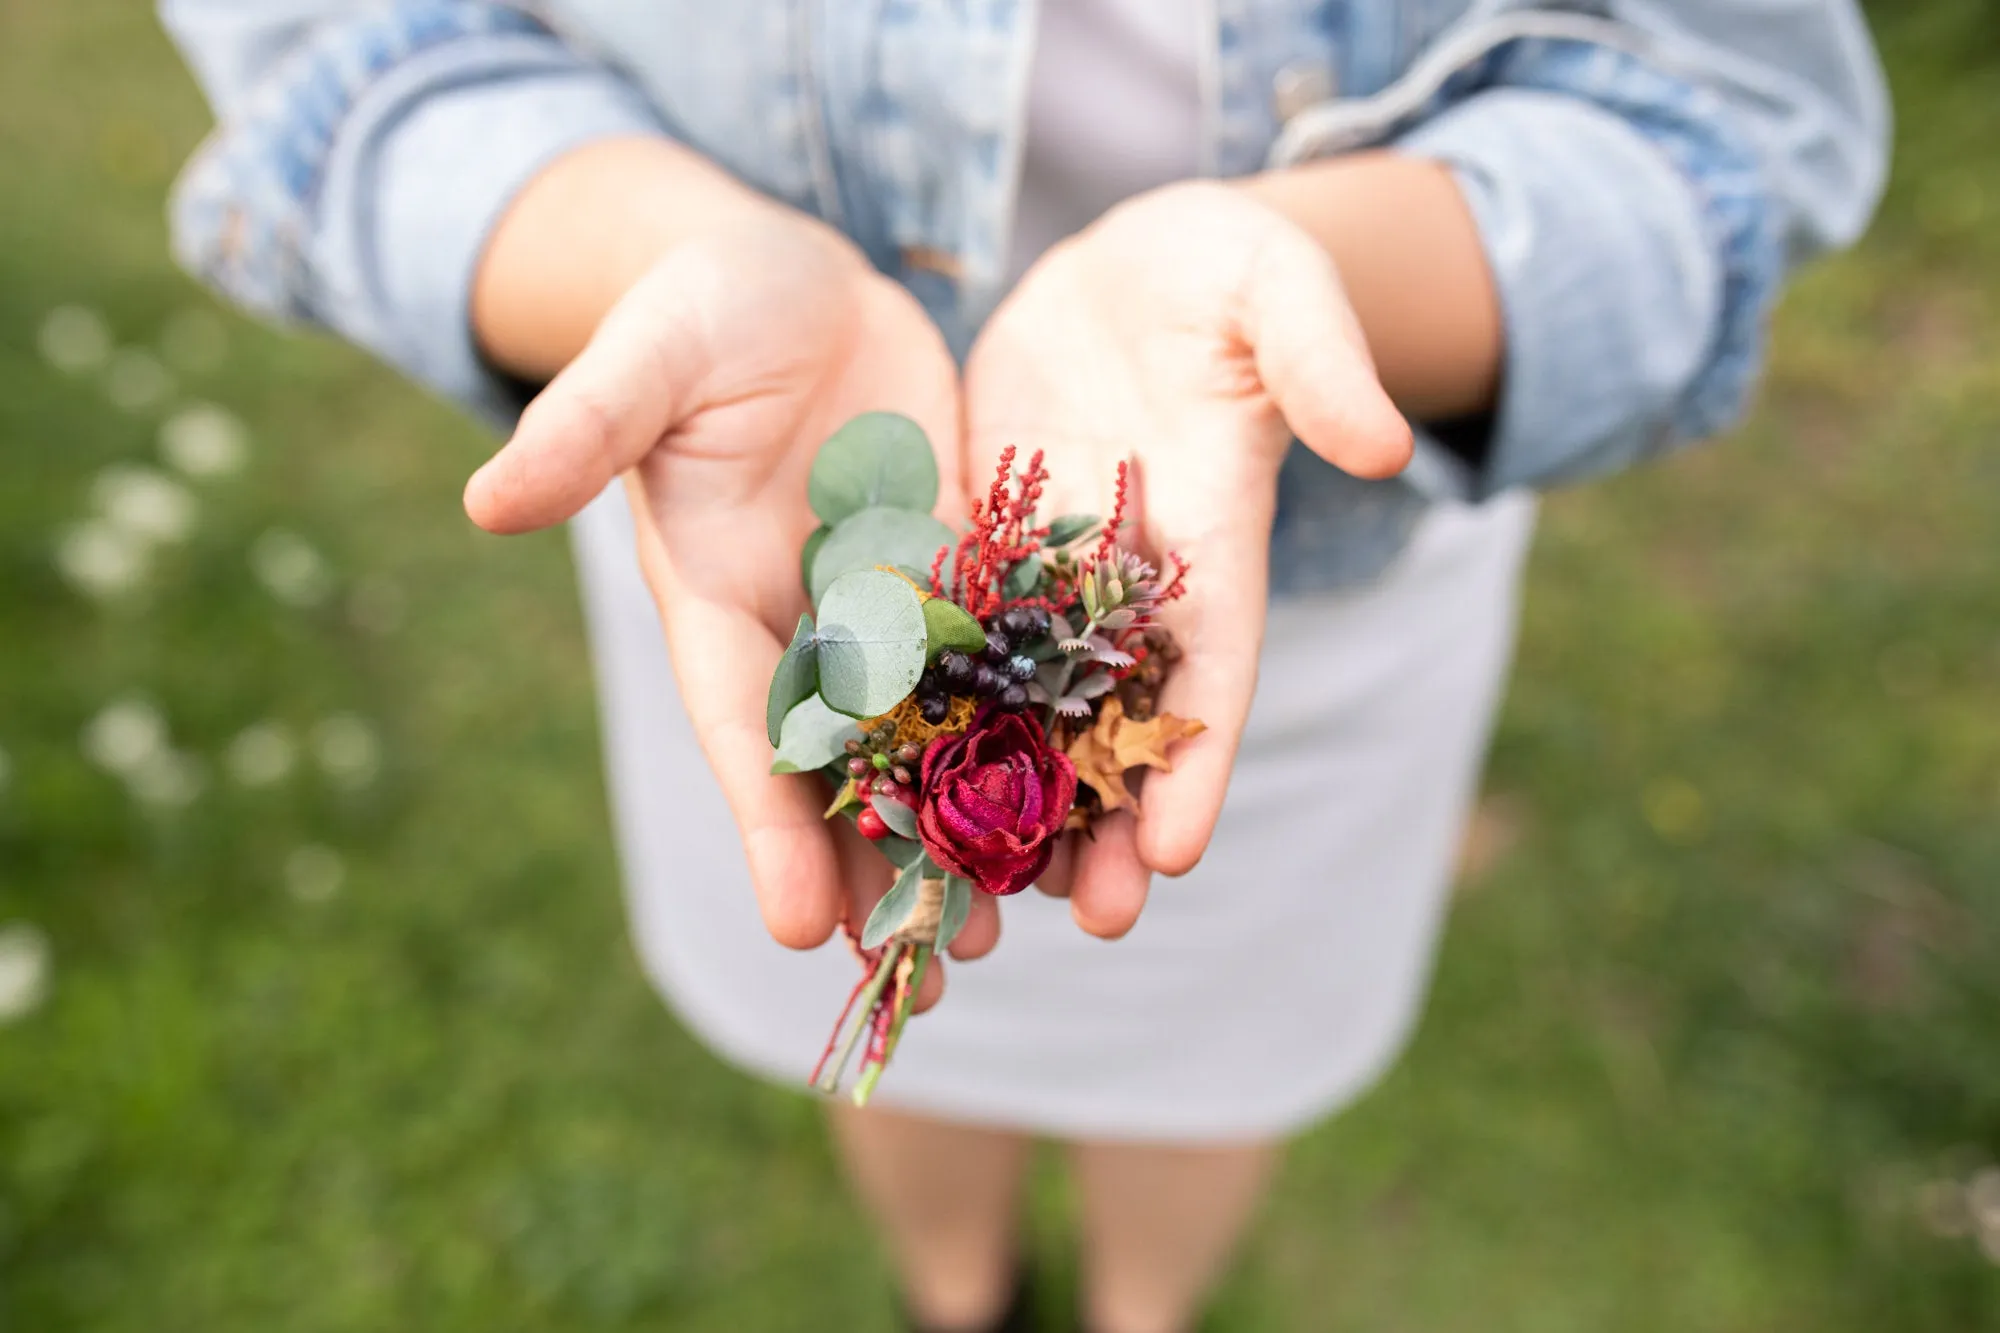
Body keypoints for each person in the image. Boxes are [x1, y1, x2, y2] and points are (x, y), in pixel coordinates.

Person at [158, 3, 1888, 1330]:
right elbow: (340, 51)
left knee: (1211, 1063)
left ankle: (1144, 1312)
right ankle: (956, 1296)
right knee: (879, 998)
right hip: (768, 549)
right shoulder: (824, 634)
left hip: (1280, 598)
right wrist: (641, 254)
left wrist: (1317, 277)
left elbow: (1736, 110)